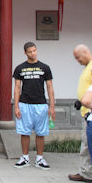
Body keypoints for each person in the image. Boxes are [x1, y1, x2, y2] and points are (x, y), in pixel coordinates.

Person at [13, 41, 55, 170]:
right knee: (24, 132)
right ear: (25, 53)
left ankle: (40, 158)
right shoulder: (20, 68)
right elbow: (17, 88)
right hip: (24, 103)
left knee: (40, 133)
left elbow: (49, 87)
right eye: (30, 51)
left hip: (40, 104)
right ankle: (25, 157)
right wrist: (16, 106)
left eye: (34, 51)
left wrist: (52, 106)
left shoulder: (45, 67)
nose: (33, 53)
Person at [69, 44, 92, 183]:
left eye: (78, 57)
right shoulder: (88, 67)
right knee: (86, 143)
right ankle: (87, 171)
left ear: (86, 52)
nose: (78, 60)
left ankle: (91, 173)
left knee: (89, 144)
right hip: (86, 110)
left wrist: (90, 104)